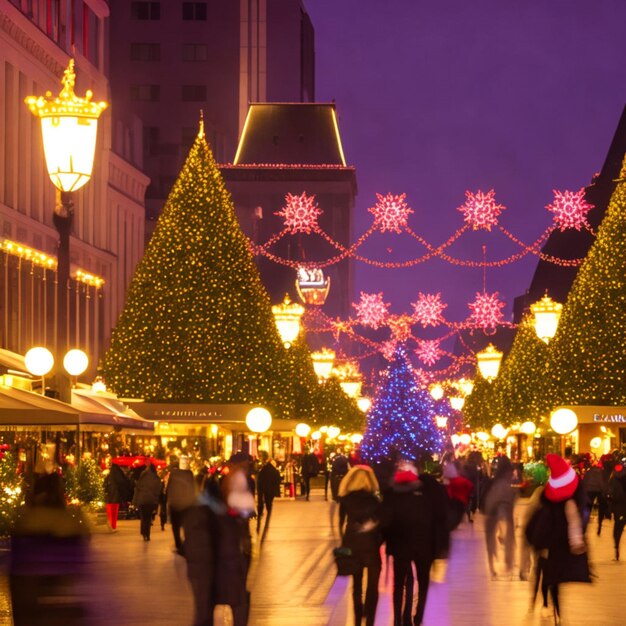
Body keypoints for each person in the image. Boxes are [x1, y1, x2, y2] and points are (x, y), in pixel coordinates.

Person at [10, 472, 91, 625]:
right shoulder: (68, 521)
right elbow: (80, 554)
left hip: (29, 586)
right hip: (59, 585)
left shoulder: (27, 519)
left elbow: (17, 559)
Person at [183, 465, 254, 626]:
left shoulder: (199, 514)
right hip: (220, 573)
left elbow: (193, 549)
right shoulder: (224, 517)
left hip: (208, 574)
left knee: (204, 613)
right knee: (233, 605)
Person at [381, 461, 450, 626]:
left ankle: (397, 619)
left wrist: (387, 540)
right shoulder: (425, 495)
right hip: (424, 545)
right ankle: (418, 617)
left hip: (400, 546)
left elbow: (387, 520)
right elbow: (436, 519)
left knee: (399, 584)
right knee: (423, 582)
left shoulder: (393, 495)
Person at [525, 454, 590, 624]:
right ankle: (555, 612)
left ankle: (547, 606)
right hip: (556, 548)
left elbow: (537, 523)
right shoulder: (569, 504)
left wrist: (536, 543)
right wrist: (577, 544)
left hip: (546, 547)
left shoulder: (546, 500)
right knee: (554, 581)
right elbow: (575, 524)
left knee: (547, 577)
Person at [338, 465, 383, 626]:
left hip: (352, 544)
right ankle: (370, 620)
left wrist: (344, 542)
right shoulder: (374, 500)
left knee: (356, 586)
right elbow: (381, 524)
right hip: (370, 546)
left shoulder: (346, 499)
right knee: (373, 586)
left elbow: (340, 524)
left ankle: (357, 619)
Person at [483, 455, 516, 579]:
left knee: (490, 543)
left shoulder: (495, 483)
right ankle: (506, 565)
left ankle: (493, 568)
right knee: (507, 540)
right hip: (499, 515)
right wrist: (502, 527)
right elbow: (501, 505)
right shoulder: (503, 485)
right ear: (507, 471)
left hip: (491, 515)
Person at [167, 456, 197, 554]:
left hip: (175, 503)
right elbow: (193, 488)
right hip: (187, 504)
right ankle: (187, 543)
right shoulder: (190, 474)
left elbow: (169, 488)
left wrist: (168, 500)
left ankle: (178, 544)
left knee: (175, 526)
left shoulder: (173, 474)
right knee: (187, 525)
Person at [132, 462, 162, 541]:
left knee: (143, 518)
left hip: (142, 500)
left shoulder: (143, 475)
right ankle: (147, 534)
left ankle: (143, 533)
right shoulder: (156, 477)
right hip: (151, 501)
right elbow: (158, 489)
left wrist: (135, 500)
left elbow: (138, 488)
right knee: (148, 518)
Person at [256, 452, 281, 541]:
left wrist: (259, 490)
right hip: (270, 490)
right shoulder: (274, 471)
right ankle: (268, 512)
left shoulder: (263, 470)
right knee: (269, 502)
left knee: (263, 502)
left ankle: (261, 517)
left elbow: (259, 481)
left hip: (264, 489)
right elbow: (278, 480)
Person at [103, 462, 131, 531]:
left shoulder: (109, 475)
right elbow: (122, 482)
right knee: (114, 510)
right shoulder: (118, 473)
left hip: (109, 496)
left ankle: (111, 525)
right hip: (115, 495)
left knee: (110, 510)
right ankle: (113, 525)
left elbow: (104, 485)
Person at [583, 461, 609, 535]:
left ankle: (585, 525)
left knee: (588, 508)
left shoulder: (588, 472)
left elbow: (584, 482)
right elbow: (601, 483)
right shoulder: (600, 472)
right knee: (601, 506)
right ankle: (600, 524)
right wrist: (604, 491)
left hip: (589, 491)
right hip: (598, 491)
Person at [607, 462, 626, 560]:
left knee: (617, 530)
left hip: (618, 507)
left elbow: (609, 494)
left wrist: (609, 509)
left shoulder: (613, 479)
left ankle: (617, 548)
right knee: (619, 528)